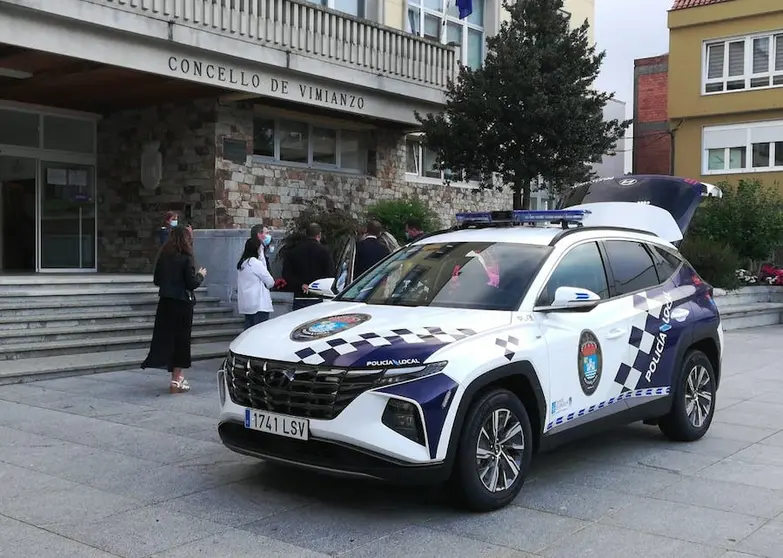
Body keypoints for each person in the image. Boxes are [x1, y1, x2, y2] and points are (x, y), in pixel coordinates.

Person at [142, 226, 206, 394]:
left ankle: (177, 377)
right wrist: (200, 275)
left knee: (168, 339)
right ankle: (176, 379)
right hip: (182, 304)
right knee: (181, 341)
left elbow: (157, 280)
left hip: (166, 303)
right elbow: (192, 283)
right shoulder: (186, 258)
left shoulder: (164, 257)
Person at [282, 223, 333, 311]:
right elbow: (330, 273)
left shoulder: (294, 251)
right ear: (319, 235)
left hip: (299, 296)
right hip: (317, 296)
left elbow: (286, 274)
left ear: (306, 234)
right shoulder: (324, 252)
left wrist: (301, 284)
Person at [237, 236, 275, 329]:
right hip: (259, 304)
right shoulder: (254, 263)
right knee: (259, 331)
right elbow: (270, 281)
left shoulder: (242, 263)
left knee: (248, 331)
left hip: (247, 303)